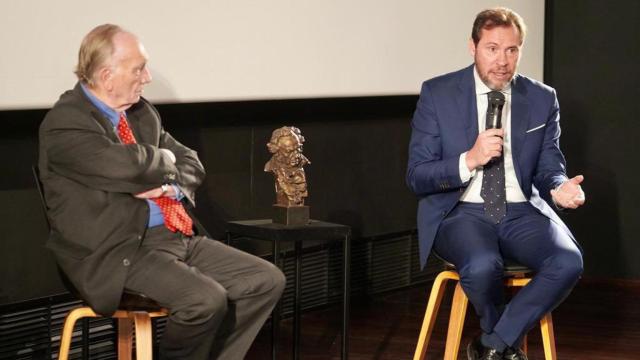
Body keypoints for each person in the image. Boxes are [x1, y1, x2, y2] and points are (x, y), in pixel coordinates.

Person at [38, 24, 286, 360]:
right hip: (117, 248)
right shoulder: (65, 123)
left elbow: (191, 163)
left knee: (264, 280)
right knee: (205, 300)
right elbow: (128, 166)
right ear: (107, 75)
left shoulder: (142, 114)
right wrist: (163, 158)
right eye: (138, 68)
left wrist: (167, 184)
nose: (148, 77)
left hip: (173, 236)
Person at [406, 8, 584, 360]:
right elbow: (416, 176)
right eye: (492, 48)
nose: (502, 61)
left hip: (521, 210)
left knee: (568, 261)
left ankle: (491, 344)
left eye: (512, 50)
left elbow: (550, 166)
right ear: (472, 47)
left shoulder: (542, 97)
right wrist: (468, 159)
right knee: (482, 264)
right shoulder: (437, 93)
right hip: (460, 212)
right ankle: (504, 343)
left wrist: (560, 188)